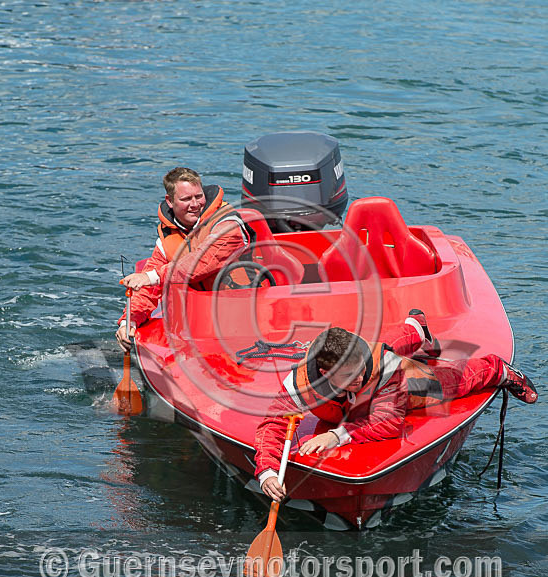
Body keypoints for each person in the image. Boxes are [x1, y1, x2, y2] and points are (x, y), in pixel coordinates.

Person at [254, 315, 538, 502]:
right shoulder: (301, 383)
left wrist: (335, 436)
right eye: (350, 377)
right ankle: (415, 327)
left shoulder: (380, 369)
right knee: (385, 349)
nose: (359, 378)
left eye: (361, 372)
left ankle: (497, 369)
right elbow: (272, 425)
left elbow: (389, 423)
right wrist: (266, 472)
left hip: (387, 387)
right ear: (326, 372)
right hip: (340, 402)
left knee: (443, 384)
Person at [116, 167, 249, 351]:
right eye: (186, 199)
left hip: (245, 316)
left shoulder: (227, 224)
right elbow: (148, 287)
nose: (195, 204)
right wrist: (128, 322)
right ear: (170, 201)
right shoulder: (167, 236)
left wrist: (152, 276)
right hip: (198, 321)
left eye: (198, 196)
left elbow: (203, 261)